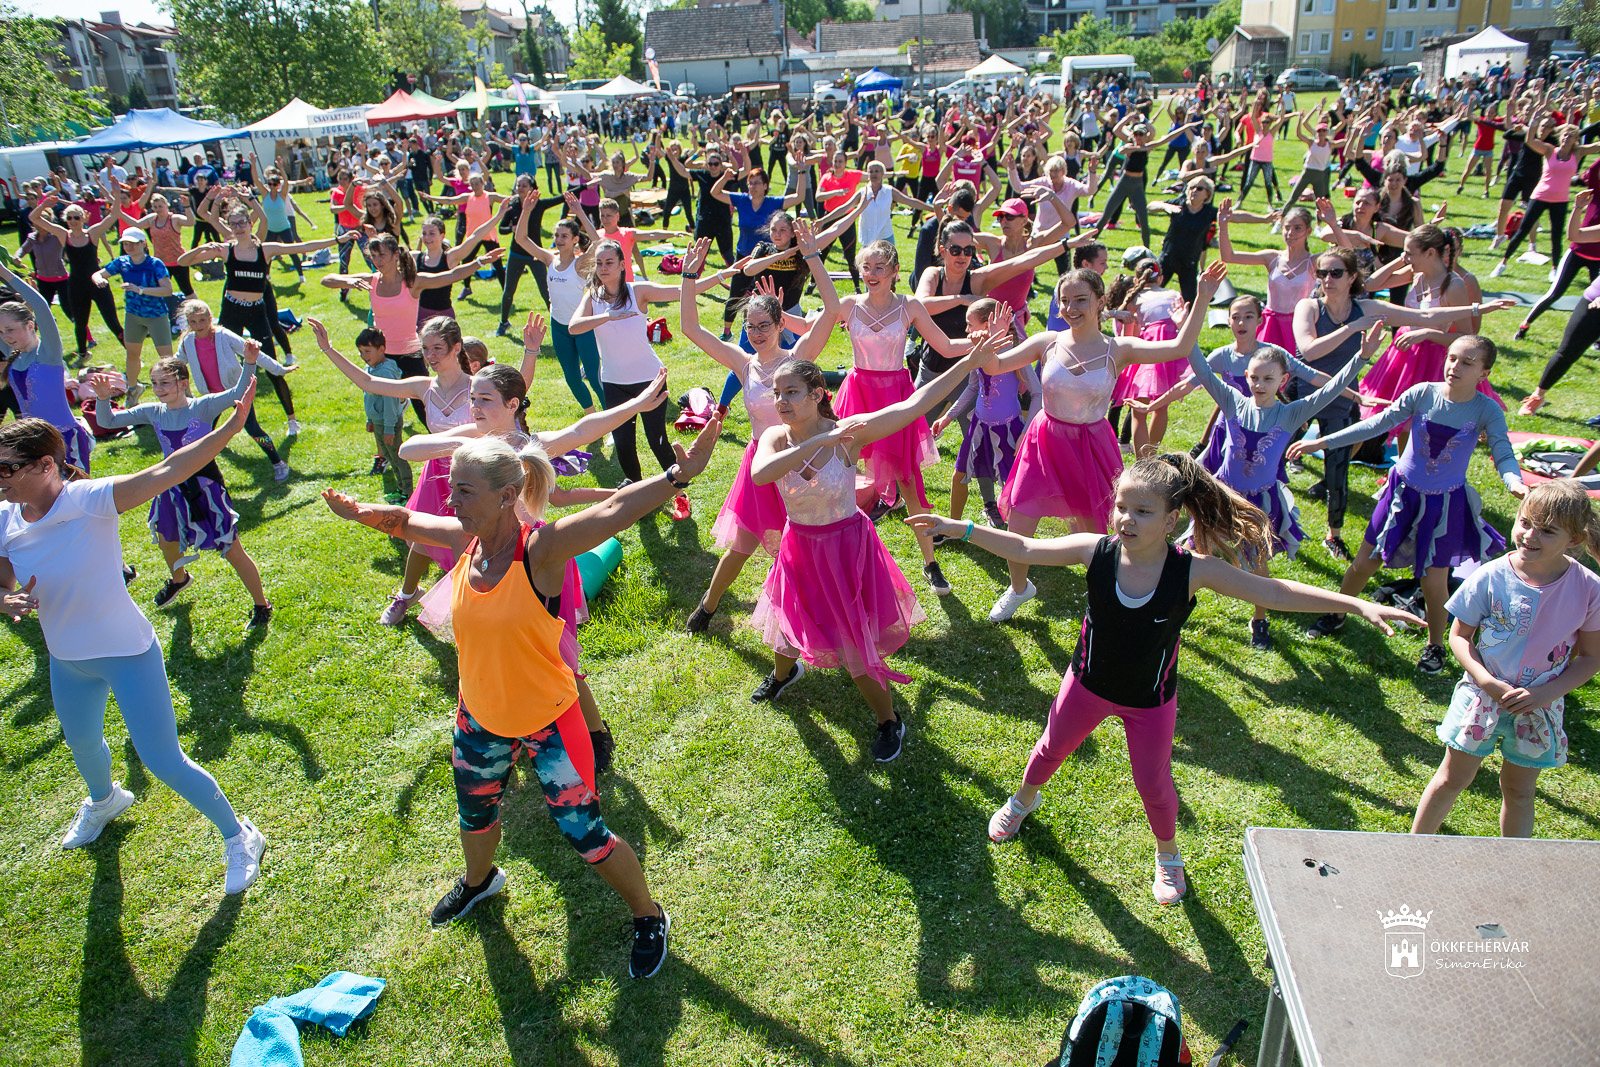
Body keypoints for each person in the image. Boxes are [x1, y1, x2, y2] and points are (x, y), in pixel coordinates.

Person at [910, 453, 1420, 903]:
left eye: (1143, 511)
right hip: (1086, 684)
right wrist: (961, 529)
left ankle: (1168, 854)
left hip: (1149, 700)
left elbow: (1279, 591)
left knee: (1153, 783)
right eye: (1122, 507)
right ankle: (1023, 800)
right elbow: (1022, 547)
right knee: (1048, 750)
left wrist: (1354, 602)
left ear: (1172, 519)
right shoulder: (1096, 549)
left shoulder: (1192, 571)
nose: (1126, 519)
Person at [319, 420, 725, 972]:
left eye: (464, 490)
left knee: (585, 834)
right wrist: (360, 512)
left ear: (508, 496)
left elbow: (616, 511)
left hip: (550, 723)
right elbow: (409, 519)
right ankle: (479, 881)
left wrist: (679, 475)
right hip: (479, 716)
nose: (451, 498)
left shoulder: (541, 550)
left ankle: (647, 913)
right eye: (452, 486)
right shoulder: (468, 540)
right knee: (475, 813)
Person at [0, 411, 267, 892]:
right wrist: (5, 598)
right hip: (67, 659)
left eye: (5, 468)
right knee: (82, 743)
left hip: (126, 653)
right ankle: (105, 801)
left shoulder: (88, 500)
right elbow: (4, 577)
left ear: (44, 465)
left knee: (162, 759)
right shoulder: (5, 515)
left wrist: (231, 427)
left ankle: (241, 835)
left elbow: (169, 469)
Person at [745, 343, 996, 760]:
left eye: (791, 392)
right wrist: (815, 442)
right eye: (776, 393)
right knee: (790, 619)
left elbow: (916, 404)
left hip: (845, 548)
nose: (780, 401)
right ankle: (783, 674)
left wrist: (969, 364)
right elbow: (760, 475)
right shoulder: (775, 435)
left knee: (853, 643)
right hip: (799, 546)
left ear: (816, 394)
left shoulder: (850, 434)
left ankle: (888, 721)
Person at [1141, 293, 1383, 649]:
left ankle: (1260, 618)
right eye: (1253, 377)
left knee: (1257, 564)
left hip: (1258, 501)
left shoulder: (1290, 413)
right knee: (1195, 551)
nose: (1258, 384)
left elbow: (1330, 391)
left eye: (1267, 379)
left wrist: (1361, 358)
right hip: (1221, 493)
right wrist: (1184, 327)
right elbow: (1203, 369)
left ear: (1282, 382)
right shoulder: (1233, 402)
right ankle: (1173, 607)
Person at [978, 265, 1215, 622]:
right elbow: (994, 366)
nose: (1071, 308)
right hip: (1045, 442)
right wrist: (991, 340)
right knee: (1020, 523)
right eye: (1065, 301)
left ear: (1101, 302)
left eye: (1081, 300)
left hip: (1091, 446)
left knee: (1097, 535)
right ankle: (1019, 587)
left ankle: (1104, 595)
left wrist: (1203, 297)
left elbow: (1180, 346)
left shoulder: (1117, 349)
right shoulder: (1047, 342)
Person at [1289, 336, 1528, 675]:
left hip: (1444, 504)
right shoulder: (1422, 393)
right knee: (1363, 564)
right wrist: (1322, 442)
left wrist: (1513, 480)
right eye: (1452, 357)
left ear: (1484, 373)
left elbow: (1502, 450)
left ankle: (1435, 645)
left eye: (1466, 362)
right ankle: (1338, 612)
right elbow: (1379, 422)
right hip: (1402, 496)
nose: (1454, 366)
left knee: (1434, 581)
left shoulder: (1485, 409)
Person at [1411, 480, 1600, 839]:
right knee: (1452, 778)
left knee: (1520, 791)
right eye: (1525, 522)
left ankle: (1514, 865)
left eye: (1547, 531)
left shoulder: (1590, 589)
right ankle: (1413, 848)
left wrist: (1546, 695)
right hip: (1480, 698)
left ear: (1574, 540)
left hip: (1539, 707)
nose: (1529, 535)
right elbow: (1459, 637)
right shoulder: (1491, 575)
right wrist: (1486, 681)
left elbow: (1591, 657)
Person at [680, 224, 838, 632]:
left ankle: (815, 616)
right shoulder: (743, 363)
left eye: (763, 325)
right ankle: (708, 606)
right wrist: (689, 278)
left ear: (780, 323)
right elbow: (691, 330)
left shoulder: (798, 358)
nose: (755, 333)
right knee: (742, 545)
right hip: (760, 464)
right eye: (750, 326)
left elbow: (833, 311)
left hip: (801, 463)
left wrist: (814, 255)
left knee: (804, 547)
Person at [833, 239, 983, 595]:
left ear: (895, 271)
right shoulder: (848, 305)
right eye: (865, 268)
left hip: (897, 395)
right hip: (858, 395)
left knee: (909, 483)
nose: (871, 274)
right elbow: (811, 327)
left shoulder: (909, 306)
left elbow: (945, 345)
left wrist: (980, 341)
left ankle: (930, 563)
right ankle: (842, 559)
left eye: (879, 268)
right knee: (841, 479)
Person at [309, 314, 475, 625]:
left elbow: (515, 397)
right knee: (420, 538)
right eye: (426, 349)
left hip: (472, 475)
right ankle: (407, 594)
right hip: (436, 476)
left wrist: (531, 352)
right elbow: (369, 382)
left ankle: (466, 600)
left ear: (457, 348)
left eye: (438, 348)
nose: (431, 356)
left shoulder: (478, 386)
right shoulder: (423, 386)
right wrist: (328, 349)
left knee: (472, 540)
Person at [86, 350, 272, 622]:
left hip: (205, 487)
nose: (158, 389)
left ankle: (262, 604)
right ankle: (179, 578)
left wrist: (250, 361)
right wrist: (103, 398)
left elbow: (238, 390)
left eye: (165, 383)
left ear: (183, 383)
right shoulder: (153, 411)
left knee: (232, 549)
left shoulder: (203, 407)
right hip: (169, 488)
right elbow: (107, 422)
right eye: (154, 384)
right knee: (166, 540)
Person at [565, 238, 742, 512]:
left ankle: (679, 490)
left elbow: (681, 291)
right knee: (623, 445)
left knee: (657, 440)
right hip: (613, 382)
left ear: (623, 265)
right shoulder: (594, 297)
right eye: (599, 263)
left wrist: (716, 276)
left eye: (609, 262)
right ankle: (637, 493)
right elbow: (574, 327)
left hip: (649, 379)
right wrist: (608, 316)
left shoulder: (639, 292)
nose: (603, 268)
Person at [178, 197, 355, 445]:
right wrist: (204, 247)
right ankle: (213, 425)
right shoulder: (226, 250)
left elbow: (301, 246)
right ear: (229, 226)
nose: (238, 227)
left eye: (242, 222)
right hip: (231, 311)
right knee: (221, 368)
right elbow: (183, 261)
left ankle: (292, 419)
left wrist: (337, 240)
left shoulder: (266, 249)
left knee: (271, 366)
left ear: (251, 223)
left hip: (256, 312)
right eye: (233, 223)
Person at [928, 298, 1040, 532]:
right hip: (979, 426)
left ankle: (1015, 535)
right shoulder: (976, 352)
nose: (966, 330)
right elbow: (973, 387)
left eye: (970, 324)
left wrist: (1026, 432)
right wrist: (948, 417)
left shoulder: (1016, 354)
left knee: (1014, 485)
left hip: (1008, 430)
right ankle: (954, 526)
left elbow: (1038, 393)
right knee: (959, 475)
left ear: (989, 325)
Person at [0, 258, 96, 473]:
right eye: (0, 332)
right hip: (30, 444)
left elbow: (41, 306)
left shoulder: (47, 353)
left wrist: (4, 273)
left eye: (10, 329)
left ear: (30, 325)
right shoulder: (13, 354)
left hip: (64, 440)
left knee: (73, 500)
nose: (5, 337)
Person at [1490, 114, 1600, 279]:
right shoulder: (1549, 150)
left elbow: (1597, 146)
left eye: (1570, 136)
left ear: (1575, 139)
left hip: (1560, 200)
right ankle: (1503, 263)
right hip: (1540, 195)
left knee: (1556, 235)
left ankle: (1554, 270)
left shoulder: (1578, 152)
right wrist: (1533, 123)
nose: (1565, 139)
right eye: (1564, 135)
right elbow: (1530, 141)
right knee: (1522, 231)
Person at [29, 195, 124, 369]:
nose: (73, 221)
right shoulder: (63, 234)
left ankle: (131, 352)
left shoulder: (93, 233)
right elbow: (33, 218)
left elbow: (114, 214)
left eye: (76, 218)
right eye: (70, 218)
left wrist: (115, 193)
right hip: (77, 285)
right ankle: (82, 354)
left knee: (112, 321)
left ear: (83, 219)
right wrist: (44, 205)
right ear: (66, 219)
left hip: (97, 283)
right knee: (80, 323)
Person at [93, 227, 175, 394]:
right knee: (132, 355)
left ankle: (179, 390)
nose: (129, 247)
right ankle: (132, 389)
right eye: (125, 243)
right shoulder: (122, 262)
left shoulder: (155, 264)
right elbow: (97, 274)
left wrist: (140, 290)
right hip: (133, 315)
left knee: (167, 359)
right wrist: (99, 279)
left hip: (156, 315)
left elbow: (167, 290)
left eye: (133, 243)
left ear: (143, 244)